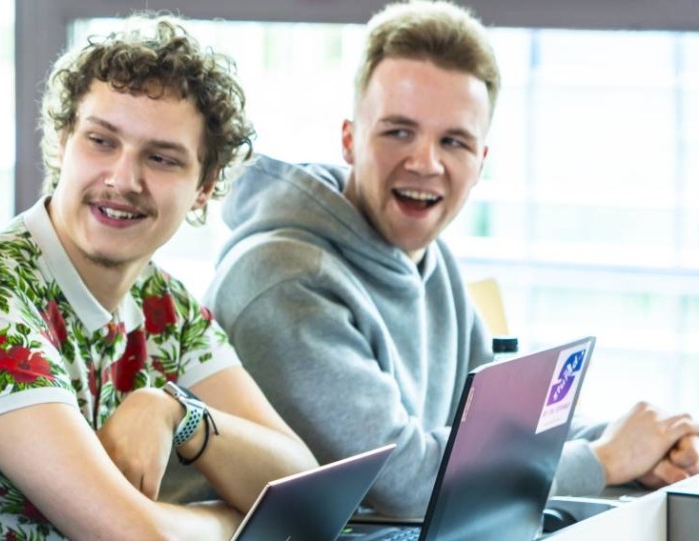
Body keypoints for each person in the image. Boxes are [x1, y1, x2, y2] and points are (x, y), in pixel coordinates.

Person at [205, 0, 699, 517]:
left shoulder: (428, 259)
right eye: (399, 131)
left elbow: (500, 434)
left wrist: (645, 442)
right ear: (349, 140)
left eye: (454, 141)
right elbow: (404, 486)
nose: (426, 163)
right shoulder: (281, 280)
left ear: (480, 160)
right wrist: (601, 460)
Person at [0, 16, 320, 539]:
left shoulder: (162, 301)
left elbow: (302, 485)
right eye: (101, 141)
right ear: (62, 143)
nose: (123, 179)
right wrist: (241, 518)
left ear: (204, 188)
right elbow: (134, 536)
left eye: (162, 158)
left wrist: (177, 414)